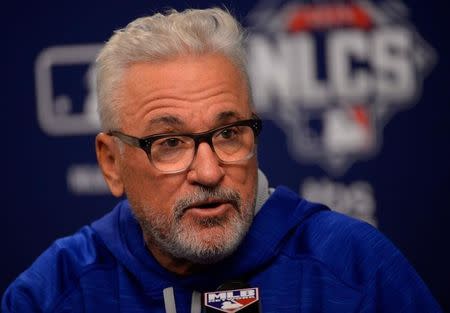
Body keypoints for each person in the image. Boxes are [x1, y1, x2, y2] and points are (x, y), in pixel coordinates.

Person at [2, 7, 442, 313]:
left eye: (229, 133)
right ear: (111, 162)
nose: (210, 173)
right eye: (170, 142)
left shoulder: (356, 269)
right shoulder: (53, 293)